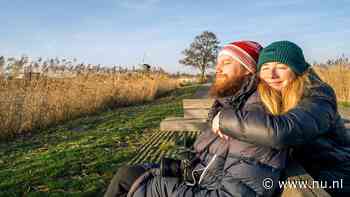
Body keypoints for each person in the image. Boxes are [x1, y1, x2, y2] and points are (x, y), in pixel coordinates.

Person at [120, 41, 293, 197]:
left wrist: (161, 186)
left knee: (137, 184)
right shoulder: (228, 105)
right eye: (217, 63)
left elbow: (234, 192)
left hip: (204, 188)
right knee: (126, 174)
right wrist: (176, 168)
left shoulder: (255, 117)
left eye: (226, 63)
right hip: (198, 178)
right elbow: (207, 160)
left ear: (249, 70)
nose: (218, 69)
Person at [214, 40, 350, 196]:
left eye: (281, 67)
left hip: (334, 175)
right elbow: (231, 98)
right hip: (299, 172)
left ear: (297, 69)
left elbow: (284, 131)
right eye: (265, 68)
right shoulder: (270, 93)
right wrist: (215, 114)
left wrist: (224, 119)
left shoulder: (317, 94)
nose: (271, 75)